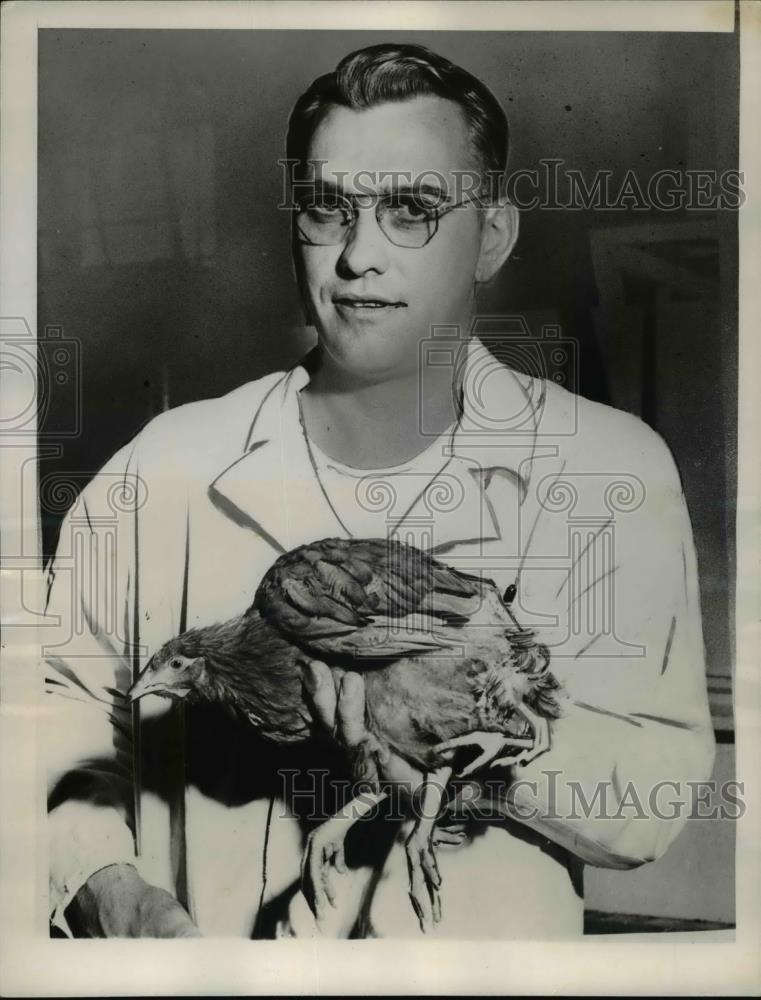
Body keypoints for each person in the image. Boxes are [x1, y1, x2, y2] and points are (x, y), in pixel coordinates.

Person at [45, 43, 715, 939]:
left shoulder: (604, 469)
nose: (360, 255)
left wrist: (464, 742)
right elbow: (51, 712)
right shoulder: (162, 465)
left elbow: (650, 800)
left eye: (412, 209)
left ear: (494, 237)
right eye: (329, 207)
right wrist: (107, 888)